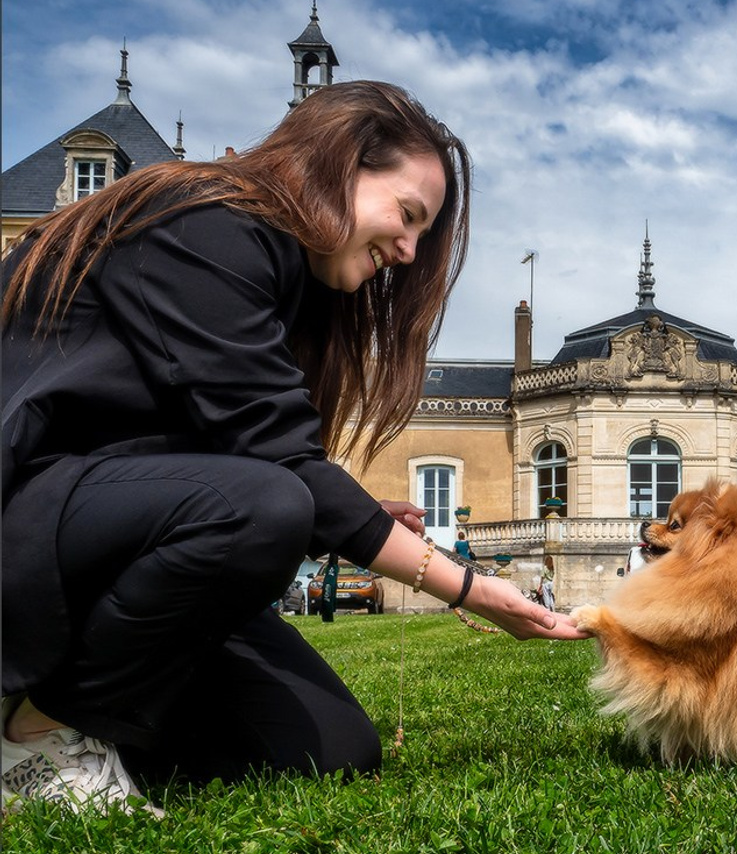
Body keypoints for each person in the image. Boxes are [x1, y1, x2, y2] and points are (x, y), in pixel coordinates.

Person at [0, 80, 587, 816]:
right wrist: (471, 586)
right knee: (266, 507)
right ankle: (35, 736)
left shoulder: (286, 282)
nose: (408, 251)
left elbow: (237, 445)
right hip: (25, 521)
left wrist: (353, 511)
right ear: (342, 165)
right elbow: (277, 469)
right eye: (407, 217)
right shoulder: (206, 222)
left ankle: (98, 710)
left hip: (107, 536)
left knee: (334, 750)